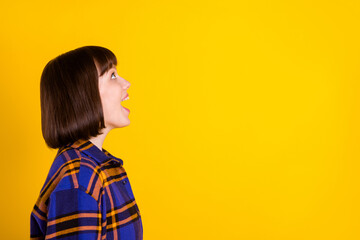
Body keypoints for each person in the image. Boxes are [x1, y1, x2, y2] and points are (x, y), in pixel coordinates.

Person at [30, 46, 143, 240]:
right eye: (113, 76)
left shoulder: (96, 166)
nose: (127, 83)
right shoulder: (80, 177)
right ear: (83, 94)